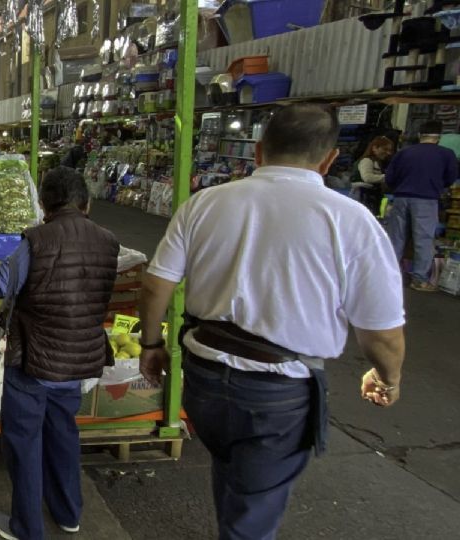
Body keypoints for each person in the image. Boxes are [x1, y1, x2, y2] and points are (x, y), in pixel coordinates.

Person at [138, 104, 406, 540]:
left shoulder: (203, 204)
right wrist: (387, 378)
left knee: (234, 478)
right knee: (251, 518)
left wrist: (151, 346)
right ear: (330, 158)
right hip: (276, 395)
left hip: (203, 379)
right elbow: (383, 334)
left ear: (258, 151)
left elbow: (155, 287)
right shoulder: (352, 222)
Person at [0, 166, 120, 540]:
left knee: (24, 443)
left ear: (43, 204)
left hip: (33, 360)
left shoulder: (37, 240)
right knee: (63, 435)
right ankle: (68, 513)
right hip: (78, 361)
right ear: (87, 203)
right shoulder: (109, 240)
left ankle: (27, 527)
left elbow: (1, 284)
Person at [384, 120, 459, 291]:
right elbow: (450, 178)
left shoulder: (404, 153)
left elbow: (389, 178)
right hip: (426, 199)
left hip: (401, 198)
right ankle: (419, 280)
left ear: (419, 135)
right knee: (423, 240)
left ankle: (388, 276)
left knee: (396, 238)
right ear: (439, 137)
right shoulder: (446, 154)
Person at [351, 135, 394, 215]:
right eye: (385, 149)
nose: (388, 153)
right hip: (363, 196)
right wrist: (387, 176)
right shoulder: (366, 161)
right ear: (374, 148)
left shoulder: (378, 163)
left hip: (372, 197)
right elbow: (367, 178)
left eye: (389, 150)